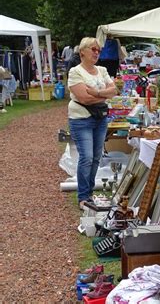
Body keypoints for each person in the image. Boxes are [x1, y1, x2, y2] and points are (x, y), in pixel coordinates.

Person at [68, 37, 118, 208]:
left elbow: (114, 90)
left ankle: (88, 192)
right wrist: (103, 94)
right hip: (81, 118)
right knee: (87, 157)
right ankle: (83, 196)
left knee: (96, 157)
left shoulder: (102, 70)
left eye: (98, 50)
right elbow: (83, 98)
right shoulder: (75, 72)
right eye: (93, 49)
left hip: (100, 118)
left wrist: (95, 92)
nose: (97, 52)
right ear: (82, 52)